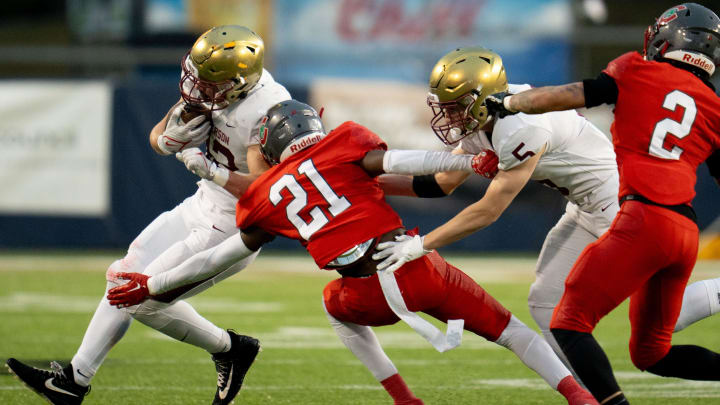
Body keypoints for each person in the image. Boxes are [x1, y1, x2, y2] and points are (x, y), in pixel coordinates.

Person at [106, 100, 599, 405]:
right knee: (512, 331)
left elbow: (219, 257)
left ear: (273, 147)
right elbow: (402, 159)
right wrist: (469, 159)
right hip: (415, 267)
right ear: (311, 127)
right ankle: (579, 396)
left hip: (362, 295)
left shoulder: (265, 196)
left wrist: (153, 284)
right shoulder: (344, 144)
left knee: (333, 306)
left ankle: (403, 399)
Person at [374, 45, 720, 383]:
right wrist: (372, 184)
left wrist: (422, 244)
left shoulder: (520, 127)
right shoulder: (486, 115)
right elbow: (441, 183)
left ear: (479, 99)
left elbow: (488, 211)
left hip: (618, 203)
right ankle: (584, 392)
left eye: (455, 107)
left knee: (659, 319)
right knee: (545, 302)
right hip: (586, 206)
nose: (449, 117)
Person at [5, 25, 290, 405]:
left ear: (237, 81)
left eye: (206, 82)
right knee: (123, 275)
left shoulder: (267, 109)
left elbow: (262, 192)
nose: (196, 87)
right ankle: (74, 381)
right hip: (201, 205)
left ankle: (230, 348)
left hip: (230, 228)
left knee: (139, 296)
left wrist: (213, 171)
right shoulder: (215, 89)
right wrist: (175, 133)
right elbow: (157, 141)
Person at [467, 3, 720, 404]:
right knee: (652, 353)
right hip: (685, 231)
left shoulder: (637, 68)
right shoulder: (714, 106)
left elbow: (567, 96)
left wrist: (510, 104)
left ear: (664, 38)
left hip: (643, 217)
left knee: (568, 323)